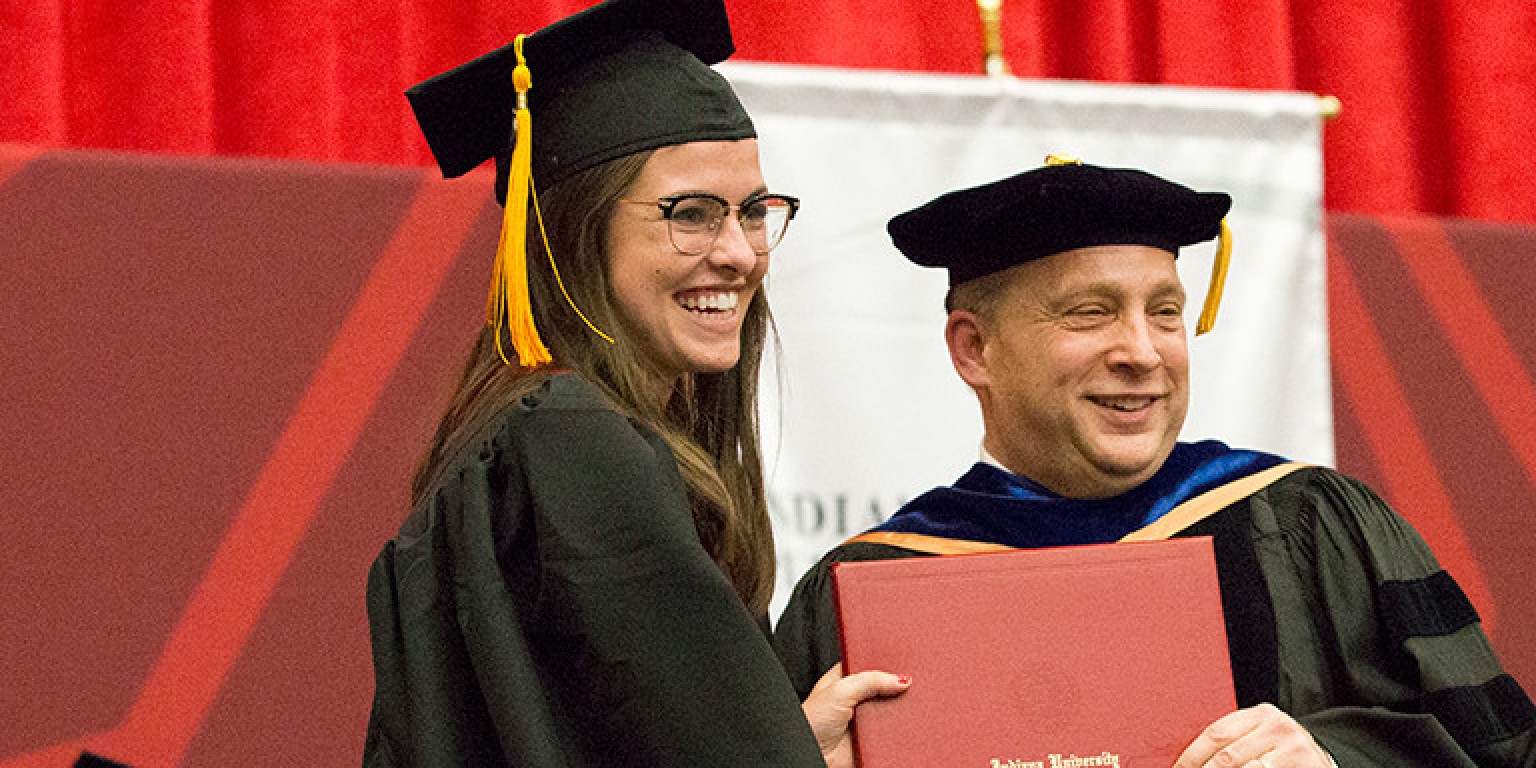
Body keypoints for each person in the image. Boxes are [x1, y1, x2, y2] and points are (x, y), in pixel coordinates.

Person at [772, 158, 1536, 767]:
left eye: (1164, 312)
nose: (1142, 353)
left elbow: (1502, 751)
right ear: (976, 350)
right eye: (1091, 313)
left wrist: (1336, 759)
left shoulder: (1310, 527)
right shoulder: (865, 593)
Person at [362, 1, 905, 765]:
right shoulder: (573, 440)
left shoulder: (527, 431)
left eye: (753, 212)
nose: (740, 254)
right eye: (690, 214)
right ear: (577, 231)